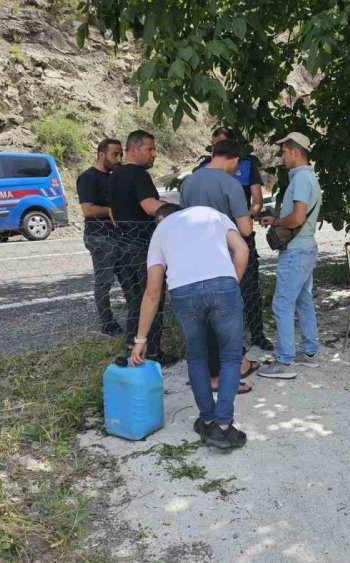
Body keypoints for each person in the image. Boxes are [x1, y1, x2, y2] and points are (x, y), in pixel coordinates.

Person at [131, 203, 249, 449]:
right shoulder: (210, 214)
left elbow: (153, 292)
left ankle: (206, 419)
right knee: (230, 356)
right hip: (223, 284)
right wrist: (231, 284)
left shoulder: (161, 231)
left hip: (184, 292)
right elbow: (242, 249)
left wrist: (140, 340)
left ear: (163, 217)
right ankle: (224, 426)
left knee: (196, 357)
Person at [182, 138, 259, 393]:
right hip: (223, 260)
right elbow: (245, 228)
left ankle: (222, 368)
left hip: (193, 259)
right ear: (235, 160)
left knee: (202, 319)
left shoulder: (189, 181)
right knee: (226, 318)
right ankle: (222, 377)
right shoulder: (231, 184)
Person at [195, 127, 273, 351]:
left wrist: (244, 218)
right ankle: (227, 340)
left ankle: (257, 333)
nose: (217, 147)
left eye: (221, 143)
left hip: (241, 235)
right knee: (219, 291)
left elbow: (257, 200)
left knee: (250, 288)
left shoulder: (246, 166)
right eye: (214, 143)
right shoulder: (201, 169)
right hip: (213, 241)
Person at [107, 129, 178, 367]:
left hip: (120, 247)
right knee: (152, 299)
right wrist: (177, 211)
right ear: (134, 150)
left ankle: (132, 347)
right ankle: (153, 351)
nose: (154, 154)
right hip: (142, 248)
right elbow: (149, 207)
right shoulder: (138, 175)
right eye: (150, 149)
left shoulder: (114, 174)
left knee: (134, 301)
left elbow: (112, 212)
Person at [257, 132, 323, 379]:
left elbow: (296, 218)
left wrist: (275, 221)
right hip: (304, 248)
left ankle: (284, 362)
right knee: (303, 301)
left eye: (284, 151)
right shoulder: (306, 177)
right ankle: (308, 353)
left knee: (282, 303)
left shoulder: (302, 178)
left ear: (296, 152)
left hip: (296, 251)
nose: (282, 156)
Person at [77, 138, 124, 336]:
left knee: (128, 278)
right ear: (101, 154)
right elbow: (88, 209)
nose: (119, 159)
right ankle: (107, 322)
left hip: (118, 236)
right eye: (115, 154)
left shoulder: (114, 177)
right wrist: (110, 211)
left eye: (121, 154)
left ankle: (137, 317)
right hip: (99, 236)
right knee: (104, 281)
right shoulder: (88, 177)